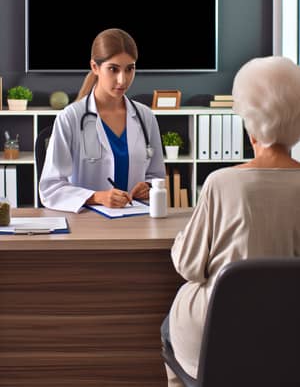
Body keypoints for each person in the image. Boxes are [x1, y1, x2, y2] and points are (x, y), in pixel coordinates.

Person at [161, 56, 300, 386]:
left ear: (249, 123)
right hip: (291, 341)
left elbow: (188, 266)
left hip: (218, 340)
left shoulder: (222, 183)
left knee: (168, 330)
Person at [39, 28, 165, 212]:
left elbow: (156, 175)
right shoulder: (71, 117)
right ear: (95, 67)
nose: (123, 80)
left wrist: (148, 187)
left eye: (130, 69)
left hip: (137, 220)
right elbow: (50, 188)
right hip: (88, 222)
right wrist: (97, 197)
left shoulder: (145, 117)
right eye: (113, 69)